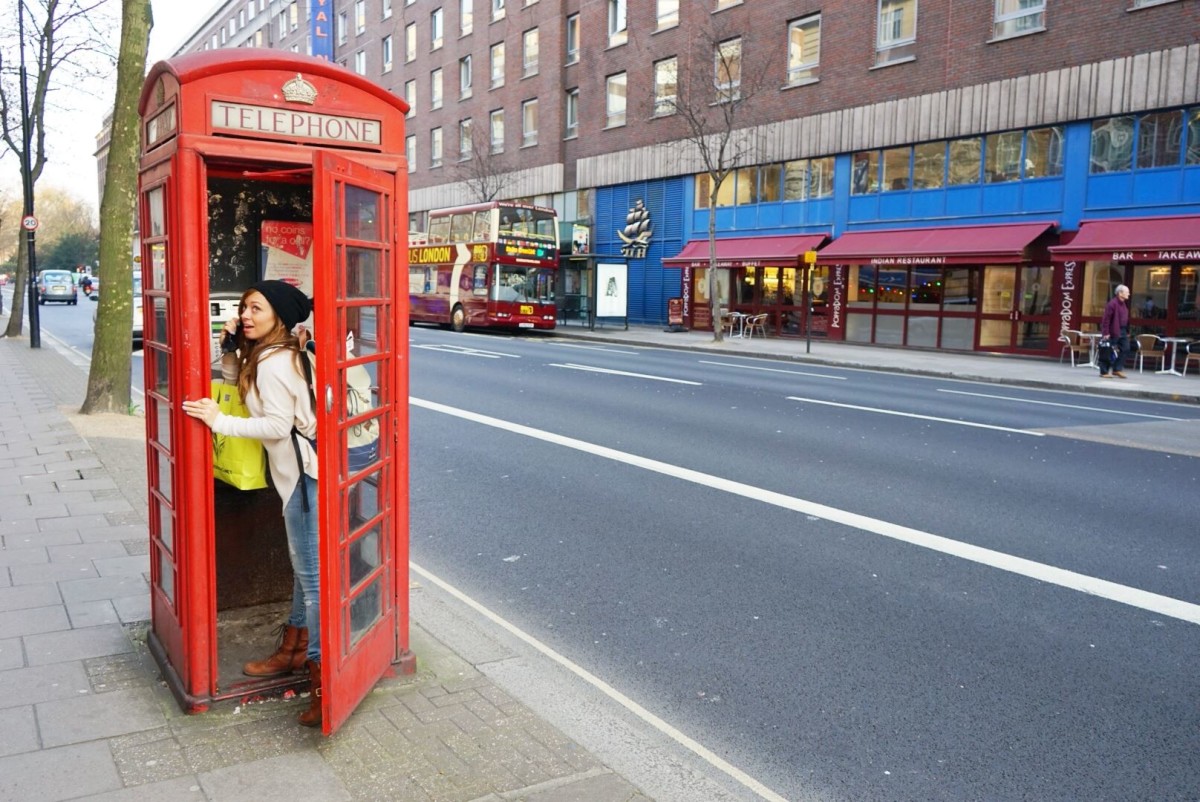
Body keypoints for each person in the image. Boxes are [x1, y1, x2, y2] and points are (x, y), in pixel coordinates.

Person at [181, 280, 323, 727]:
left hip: (302, 482)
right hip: (300, 480)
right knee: (304, 577)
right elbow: (236, 385)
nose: (246, 314)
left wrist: (218, 421)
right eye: (244, 307)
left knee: (313, 582)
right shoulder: (272, 355)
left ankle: (322, 682)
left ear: (277, 315)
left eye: (255, 308)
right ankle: (293, 651)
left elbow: (277, 426)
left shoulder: (273, 364)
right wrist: (230, 348)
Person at [1099, 284, 1131, 379]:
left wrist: (1127, 330)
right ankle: (1104, 371)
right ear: (1120, 293)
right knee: (1107, 351)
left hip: (1123, 330)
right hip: (1113, 330)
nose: (1129, 294)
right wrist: (1106, 332)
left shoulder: (1123, 303)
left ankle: (1117, 369)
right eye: (1127, 292)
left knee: (1126, 348)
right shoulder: (1112, 304)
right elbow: (1106, 319)